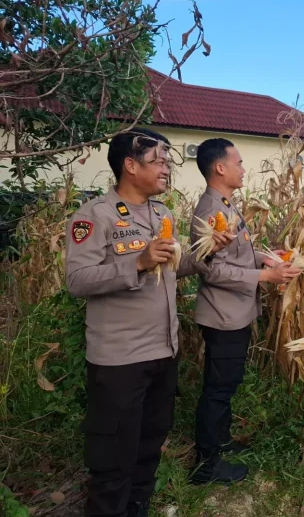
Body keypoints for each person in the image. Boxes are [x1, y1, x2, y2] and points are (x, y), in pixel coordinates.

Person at [65, 129, 233, 517]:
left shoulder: (163, 214)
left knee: (148, 444)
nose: (167, 168)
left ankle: (138, 506)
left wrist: (207, 251)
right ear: (130, 165)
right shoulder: (95, 215)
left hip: (163, 351)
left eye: (167, 162)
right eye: (158, 160)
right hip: (120, 358)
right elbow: (77, 280)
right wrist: (136, 263)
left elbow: (175, 267)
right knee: (113, 455)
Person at [189, 138, 302, 485]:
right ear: (220, 168)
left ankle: (220, 441)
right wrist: (265, 275)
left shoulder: (226, 206)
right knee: (218, 389)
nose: (243, 168)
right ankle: (206, 466)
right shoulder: (211, 212)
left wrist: (265, 258)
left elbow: (234, 257)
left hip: (235, 313)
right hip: (223, 316)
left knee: (227, 383)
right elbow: (211, 270)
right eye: (238, 162)